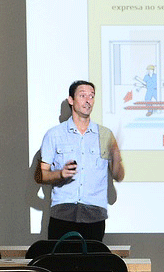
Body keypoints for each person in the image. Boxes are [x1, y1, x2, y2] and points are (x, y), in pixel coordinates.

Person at [35, 80, 125, 241]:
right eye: (82, 95)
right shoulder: (54, 135)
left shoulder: (105, 135)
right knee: (60, 258)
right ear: (71, 100)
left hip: (94, 215)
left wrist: (116, 158)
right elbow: (40, 175)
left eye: (91, 96)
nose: (88, 100)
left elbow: (119, 176)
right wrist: (60, 174)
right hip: (62, 213)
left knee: (92, 258)